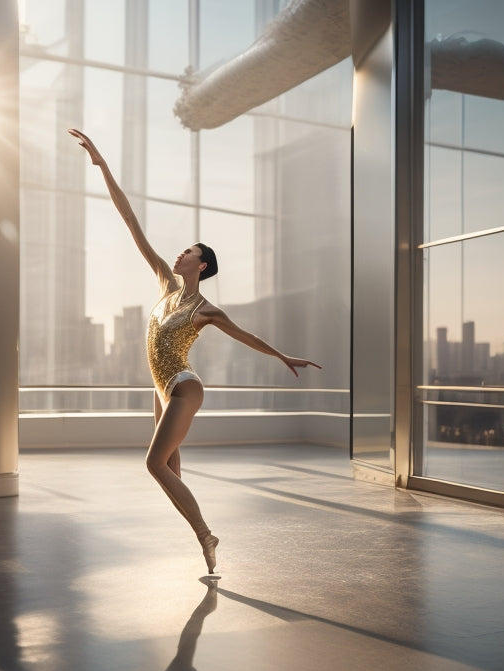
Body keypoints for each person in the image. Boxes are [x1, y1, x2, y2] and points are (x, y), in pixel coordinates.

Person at [69, 129, 321, 574]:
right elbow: (131, 223)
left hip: (185, 387)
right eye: (182, 249)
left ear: (201, 265)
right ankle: (205, 543)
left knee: (152, 463)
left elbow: (245, 336)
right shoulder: (166, 285)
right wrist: (103, 167)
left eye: (188, 251)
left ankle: (207, 533)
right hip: (161, 388)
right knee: (170, 473)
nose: (179, 253)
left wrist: (282, 356)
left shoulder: (206, 309)